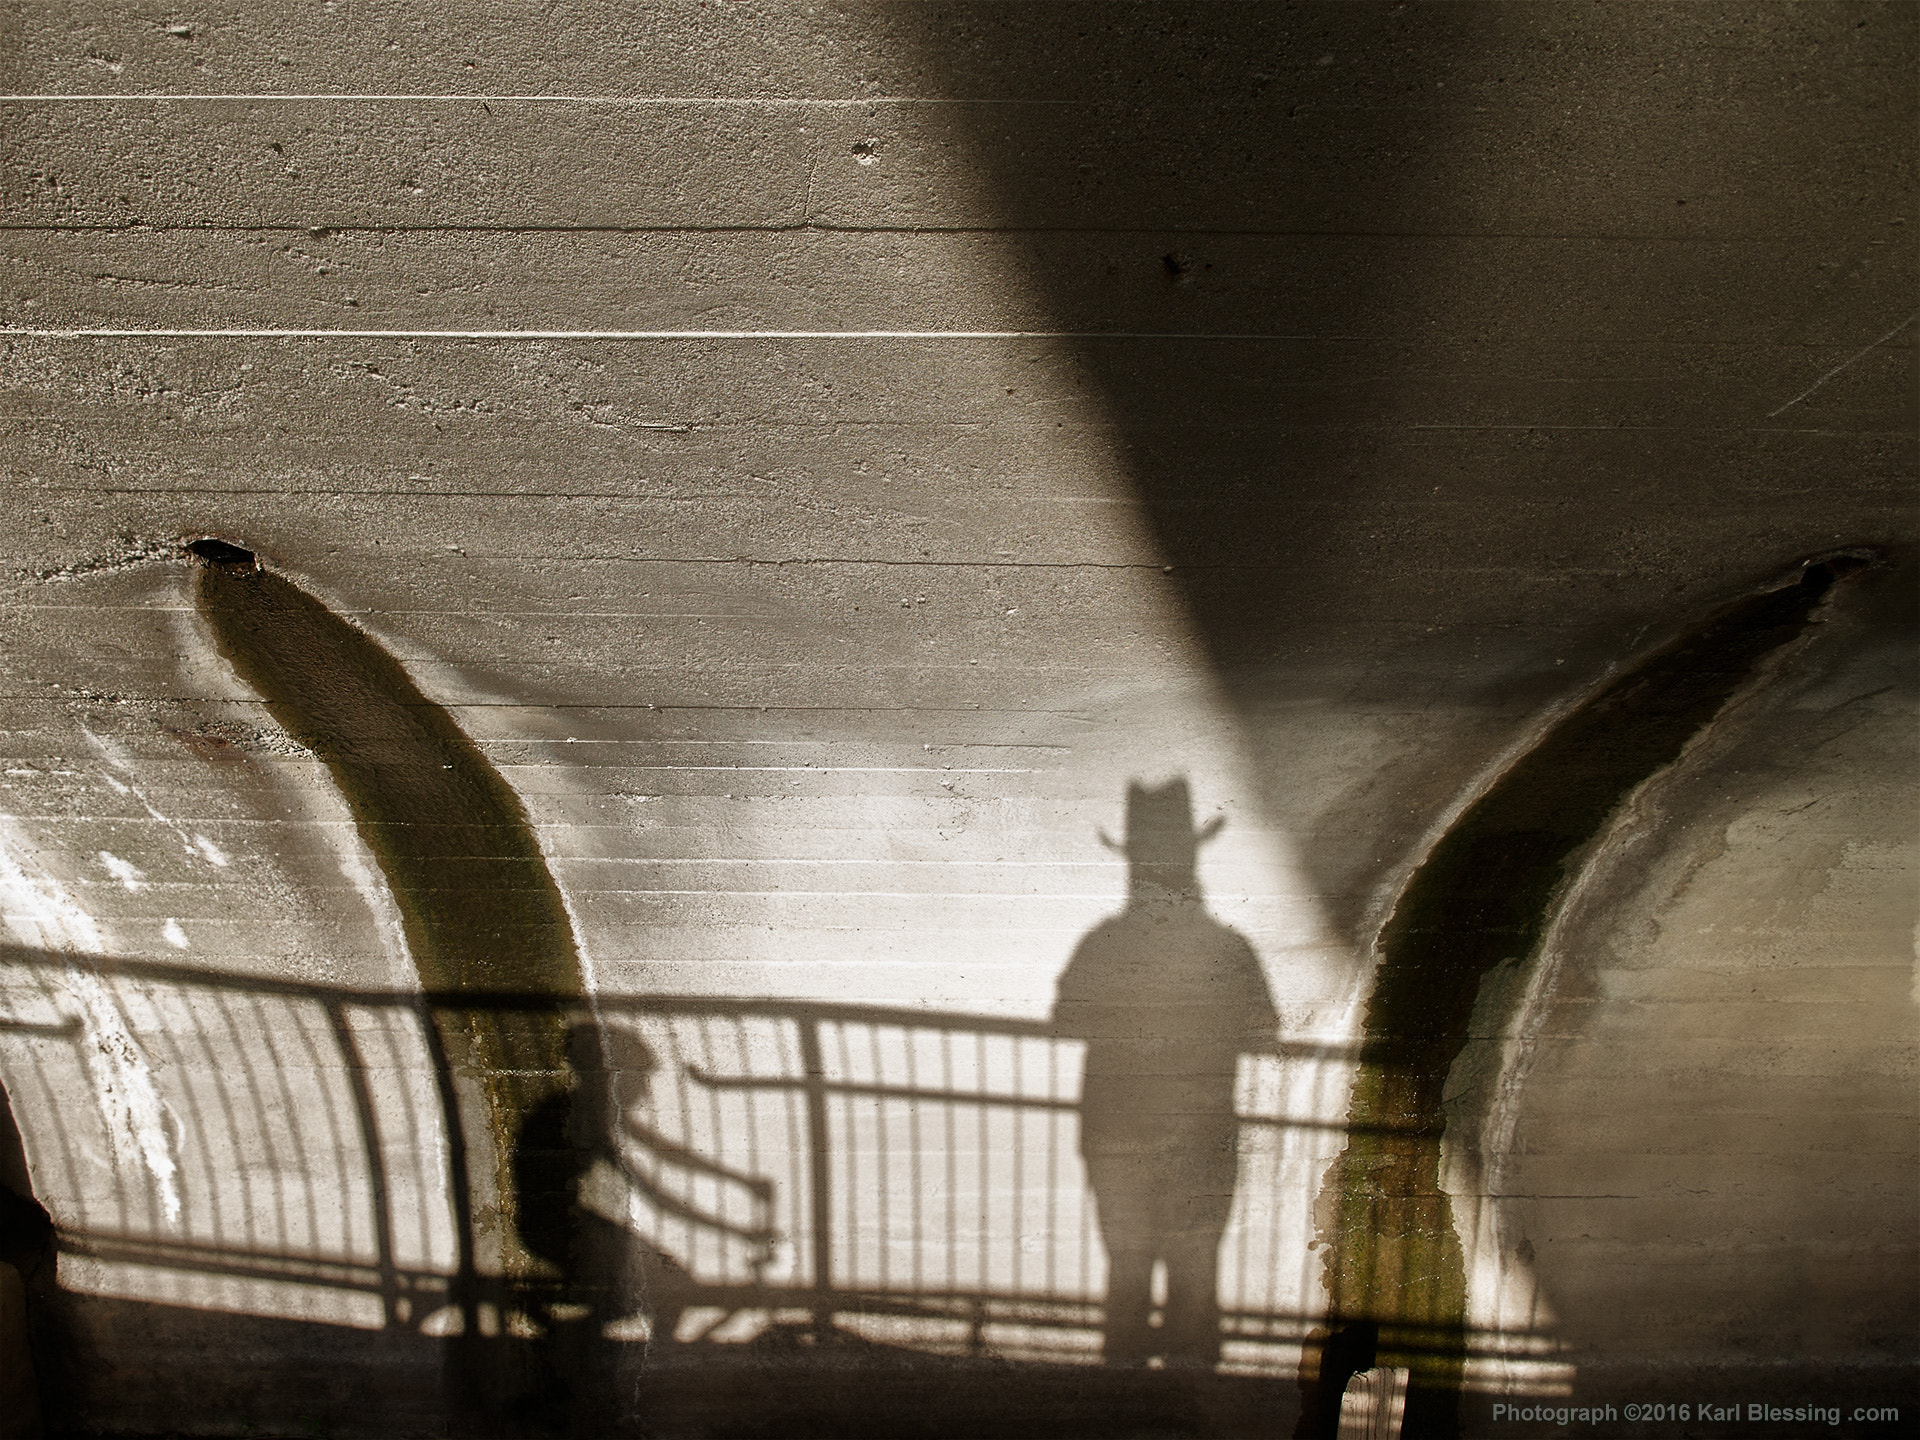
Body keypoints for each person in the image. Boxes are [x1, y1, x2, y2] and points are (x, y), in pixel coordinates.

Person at [1053, 779, 1278, 1368]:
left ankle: (1122, 1392)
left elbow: (1064, 1020)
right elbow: (1265, 1033)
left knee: (1128, 1264)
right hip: (1202, 1131)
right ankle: (1191, 1398)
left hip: (1117, 1130)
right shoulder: (1228, 949)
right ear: (1192, 861)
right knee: (1195, 1269)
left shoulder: (1104, 944)